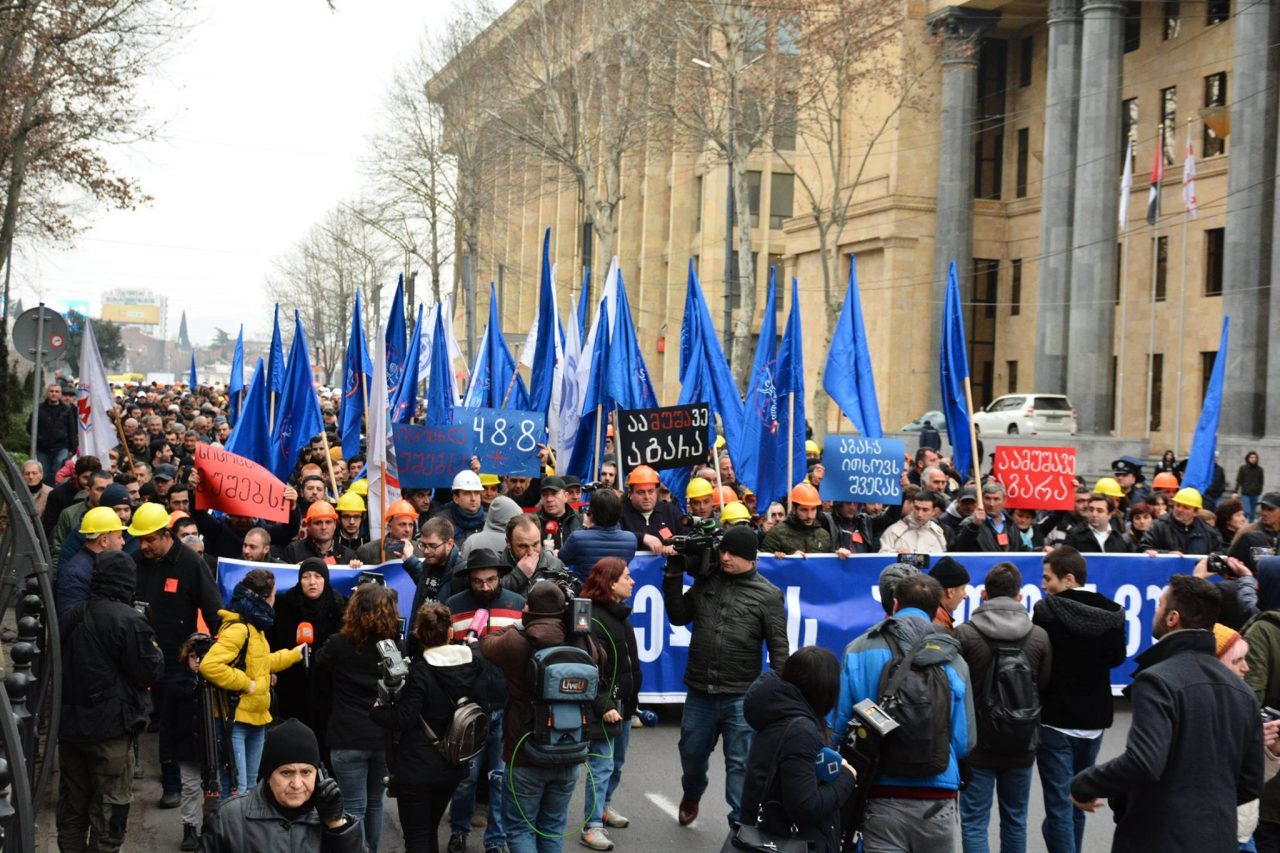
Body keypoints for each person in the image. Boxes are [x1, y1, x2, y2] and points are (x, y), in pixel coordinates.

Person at [1070, 575, 1264, 851]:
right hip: (1217, 837)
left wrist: (1084, 783)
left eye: (1160, 605)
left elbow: (1143, 762)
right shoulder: (1242, 692)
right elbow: (1250, 782)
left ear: (1173, 617)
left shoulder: (1157, 680)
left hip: (1158, 837)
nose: (1156, 611)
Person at [832, 573, 973, 852]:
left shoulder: (859, 649)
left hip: (880, 789)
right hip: (938, 793)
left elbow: (840, 725)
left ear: (894, 604)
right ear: (937, 610)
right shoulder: (953, 659)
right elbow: (962, 741)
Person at [664, 525, 790, 827]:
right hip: (699, 691)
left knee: (740, 764)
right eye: (723, 551)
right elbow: (679, 617)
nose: (725, 557)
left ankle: (740, 825)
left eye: (732, 553)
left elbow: (779, 649)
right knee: (691, 754)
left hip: (741, 695)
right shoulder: (708, 580)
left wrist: (776, 695)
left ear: (750, 557)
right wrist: (672, 576)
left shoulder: (769, 595)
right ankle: (692, 792)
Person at [478, 581, 607, 853]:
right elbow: (602, 657)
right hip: (571, 751)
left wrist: (518, 624)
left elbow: (487, 643)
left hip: (525, 754)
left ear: (528, 609)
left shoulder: (516, 641)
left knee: (520, 829)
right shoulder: (581, 641)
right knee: (552, 828)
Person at [57, 550, 165, 853]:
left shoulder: (72, 615)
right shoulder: (129, 620)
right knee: (111, 811)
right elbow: (150, 669)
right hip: (111, 731)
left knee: (73, 809)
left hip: (71, 727)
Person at [1033, 546, 1126, 853]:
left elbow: (1039, 659)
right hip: (1093, 722)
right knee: (1078, 801)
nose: (1044, 585)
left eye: (1048, 578)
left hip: (1055, 720)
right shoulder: (1112, 613)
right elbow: (1116, 658)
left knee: (1060, 807)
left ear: (1068, 578)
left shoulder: (1045, 611)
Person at [130, 501, 223, 808]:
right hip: (140, 658)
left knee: (172, 723)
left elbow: (213, 610)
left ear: (166, 534)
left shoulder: (190, 564)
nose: (144, 546)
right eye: (140, 540)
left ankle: (173, 784)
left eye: (149, 540)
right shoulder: (135, 562)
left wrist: (214, 650)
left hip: (177, 661)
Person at [954, 563, 1052, 853]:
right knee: (1015, 820)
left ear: (983, 595)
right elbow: (1043, 684)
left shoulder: (965, 634)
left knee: (974, 821)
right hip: (1022, 741)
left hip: (977, 743)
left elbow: (956, 686)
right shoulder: (1039, 636)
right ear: (1020, 597)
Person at [371, 601, 482, 852]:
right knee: (430, 829)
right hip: (454, 762)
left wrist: (376, 712)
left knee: (417, 836)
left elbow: (405, 718)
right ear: (450, 633)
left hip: (417, 768)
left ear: (418, 635)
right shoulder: (472, 663)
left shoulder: (420, 672)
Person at [739, 648, 857, 853]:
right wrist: (846, 777)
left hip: (766, 837)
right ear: (824, 691)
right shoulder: (801, 732)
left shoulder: (779, 713)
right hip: (787, 842)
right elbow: (805, 806)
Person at [315, 583, 405, 853]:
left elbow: (319, 664)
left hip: (347, 734)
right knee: (375, 803)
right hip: (382, 737)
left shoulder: (339, 644)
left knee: (353, 806)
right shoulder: (394, 646)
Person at [199, 568, 306, 794]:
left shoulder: (254, 629)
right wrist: (246, 683)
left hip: (257, 719)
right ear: (265, 598)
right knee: (236, 789)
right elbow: (210, 666)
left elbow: (260, 663)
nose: (275, 600)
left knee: (249, 789)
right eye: (274, 595)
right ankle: (229, 830)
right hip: (235, 721)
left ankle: (242, 829)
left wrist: (294, 655)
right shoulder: (239, 629)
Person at [199, 718, 363, 853]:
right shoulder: (228, 820)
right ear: (269, 775)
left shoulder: (333, 819)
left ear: (319, 774)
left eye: (306, 772)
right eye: (286, 773)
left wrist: (336, 826)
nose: (297, 784)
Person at [577, 557, 642, 850]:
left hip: (624, 705)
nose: (632, 581)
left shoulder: (620, 614)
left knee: (616, 764)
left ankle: (605, 806)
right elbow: (589, 670)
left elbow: (628, 664)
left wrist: (632, 701)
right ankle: (591, 826)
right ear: (610, 583)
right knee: (601, 766)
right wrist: (604, 706)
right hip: (605, 709)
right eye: (627, 577)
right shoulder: (593, 621)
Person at [1213, 624, 1280, 850]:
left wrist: (1271, 751)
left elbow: (1252, 779)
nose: (1246, 668)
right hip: (1222, 831)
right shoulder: (1204, 710)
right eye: (1237, 661)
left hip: (1245, 829)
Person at [268, 558, 348, 741]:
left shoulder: (340, 607)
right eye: (306, 576)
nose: (312, 582)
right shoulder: (283, 606)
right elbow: (270, 641)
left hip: (327, 686)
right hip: (291, 683)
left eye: (318, 576)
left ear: (326, 579)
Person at [56, 506, 126, 619]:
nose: (123, 542)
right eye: (119, 537)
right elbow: (69, 619)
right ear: (104, 540)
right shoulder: (75, 573)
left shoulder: (98, 565)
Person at [559, 489, 638, 583]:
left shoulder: (578, 537)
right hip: (616, 594)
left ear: (591, 513)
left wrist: (584, 526)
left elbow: (561, 560)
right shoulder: (631, 539)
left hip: (585, 594)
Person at [500, 513, 572, 597]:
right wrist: (518, 575)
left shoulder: (555, 565)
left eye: (535, 544)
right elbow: (491, 595)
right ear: (508, 543)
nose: (531, 552)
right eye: (523, 546)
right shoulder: (498, 566)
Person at [618, 464, 683, 554]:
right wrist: (641, 537)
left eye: (651, 491)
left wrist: (676, 546)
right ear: (630, 493)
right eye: (641, 492)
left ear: (656, 491)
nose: (647, 497)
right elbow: (613, 536)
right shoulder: (620, 513)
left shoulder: (670, 511)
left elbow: (687, 536)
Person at [1142, 487, 1223, 554]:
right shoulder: (1158, 526)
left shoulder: (1209, 533)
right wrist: (1167, 554)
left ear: (1196, 512)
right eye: (1177, 505)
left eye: (1186, 507)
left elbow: (1219, 554)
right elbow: (1144, 548)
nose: (1180, 510)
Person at [761, 483, 835, 556]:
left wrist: (840, 557)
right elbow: (764, 563)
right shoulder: (777, 533)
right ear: (794, 509)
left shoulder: (823, 535)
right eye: (804, 510)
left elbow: (830, 564)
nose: (810, 516)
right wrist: (789, 559)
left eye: (813, 509)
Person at [285, 501, 357, 564]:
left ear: (335, 525)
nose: (324, 527)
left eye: (328, 522)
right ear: (308, 526)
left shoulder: (348, 555)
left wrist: (355, 568)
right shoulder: (294, 550)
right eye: (318, 523)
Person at [35, 382, 78, 485]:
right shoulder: (39, 408)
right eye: (51, 391)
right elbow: (31, 426)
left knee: (57, 471)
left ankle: (53, 493)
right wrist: (39, 437)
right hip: (43, 448)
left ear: (60, 394)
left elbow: (71, 429)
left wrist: (72, 449)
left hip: (61, 447)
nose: (54, 394)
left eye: (56, 391)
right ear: (47, 393)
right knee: (44, 474)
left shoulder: (66, 410)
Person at [878, 492, 949, 554]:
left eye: (925, 510)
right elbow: (881, 557)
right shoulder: (894, 531)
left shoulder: (937, 532)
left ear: (933, 512)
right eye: (917, 508)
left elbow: (943, 556)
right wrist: (895, 553)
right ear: (913, 507)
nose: (919, 514)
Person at [1064, 493, 1137, 553]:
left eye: (1100, 511)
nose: (1094, 514)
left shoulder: (1119, 539)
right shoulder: (1074, 535)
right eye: (1091, 510)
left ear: (1110, 514)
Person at [355, 498, 421, 565]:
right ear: (390, 527)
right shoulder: (368, 551)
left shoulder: (420, 551)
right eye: (402, 525)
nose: (408, 529)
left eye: (410, 525)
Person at [431, 470, 488, 546]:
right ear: (456, 498)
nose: (473, 498)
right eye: (467, 493)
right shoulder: (440, 522)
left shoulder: (490, 521)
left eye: (477, 493)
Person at [1230, 492, 1280, 575]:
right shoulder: (1249, 531)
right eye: (1263, 508)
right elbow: (1232, 558)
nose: (1264, 513)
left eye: (1270, 509)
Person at [536, 475, 582, 551]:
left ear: (565, 496)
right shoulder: (534, 522)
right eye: (545, 495)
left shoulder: (580, 519)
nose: (549, 499)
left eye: (554, 494)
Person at [929, 555, 971, 633]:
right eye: (963, 589)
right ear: (950, 592)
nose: (965, 595)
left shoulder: (927, 614)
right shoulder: (938, 625)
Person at [1239, 452, 1267, 522]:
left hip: (1255, 493)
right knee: (1247, 511)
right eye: (1251, 457)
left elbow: (1261, 481)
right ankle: (1242, 522)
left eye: (1255, 457)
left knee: (1252, 513)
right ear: (1248, 458)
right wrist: (1235, 491)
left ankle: (1250, 527)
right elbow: (1239, 480)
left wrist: (1259, 490)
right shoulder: (1243, 468)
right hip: (1245, 493)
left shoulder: (1260, 469)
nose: (1253, 459)